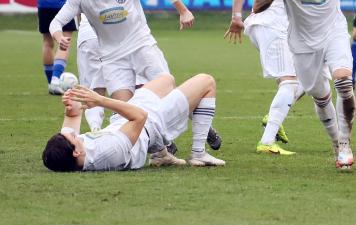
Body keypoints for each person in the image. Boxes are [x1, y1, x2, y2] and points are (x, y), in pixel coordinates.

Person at [253, 0, 356, 170]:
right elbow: (256, 5)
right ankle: (336, 142)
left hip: (333, 31)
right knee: (321, 95)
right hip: (302, 44)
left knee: (343, 81)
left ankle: (345, 144)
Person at [49, 0, 193, 102]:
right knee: (124, 108)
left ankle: (194, 115)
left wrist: (183, 11)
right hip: (113, 58)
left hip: (141, 46)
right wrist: (59, 37)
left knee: (167, 95)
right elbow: (56, 22)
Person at [225, 0, 321, 156]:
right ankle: (267, 141)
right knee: (290, 82)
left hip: (272, 28)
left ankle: (275, 115)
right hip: (272, 25)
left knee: (313, 75)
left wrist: (237, 17)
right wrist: (236, 17)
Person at [41, 73, 225, 172]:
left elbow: (72, 118)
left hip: (129, 118)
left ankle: (162, 155)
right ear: (77, 152)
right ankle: (199, 153)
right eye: (74, 138)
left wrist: (71, 105)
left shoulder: (74, 152)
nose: (75, 135)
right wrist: (100, 100)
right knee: (206, 81)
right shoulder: (111, 152)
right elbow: (140, 117)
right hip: (152, 123)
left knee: (166, 80)